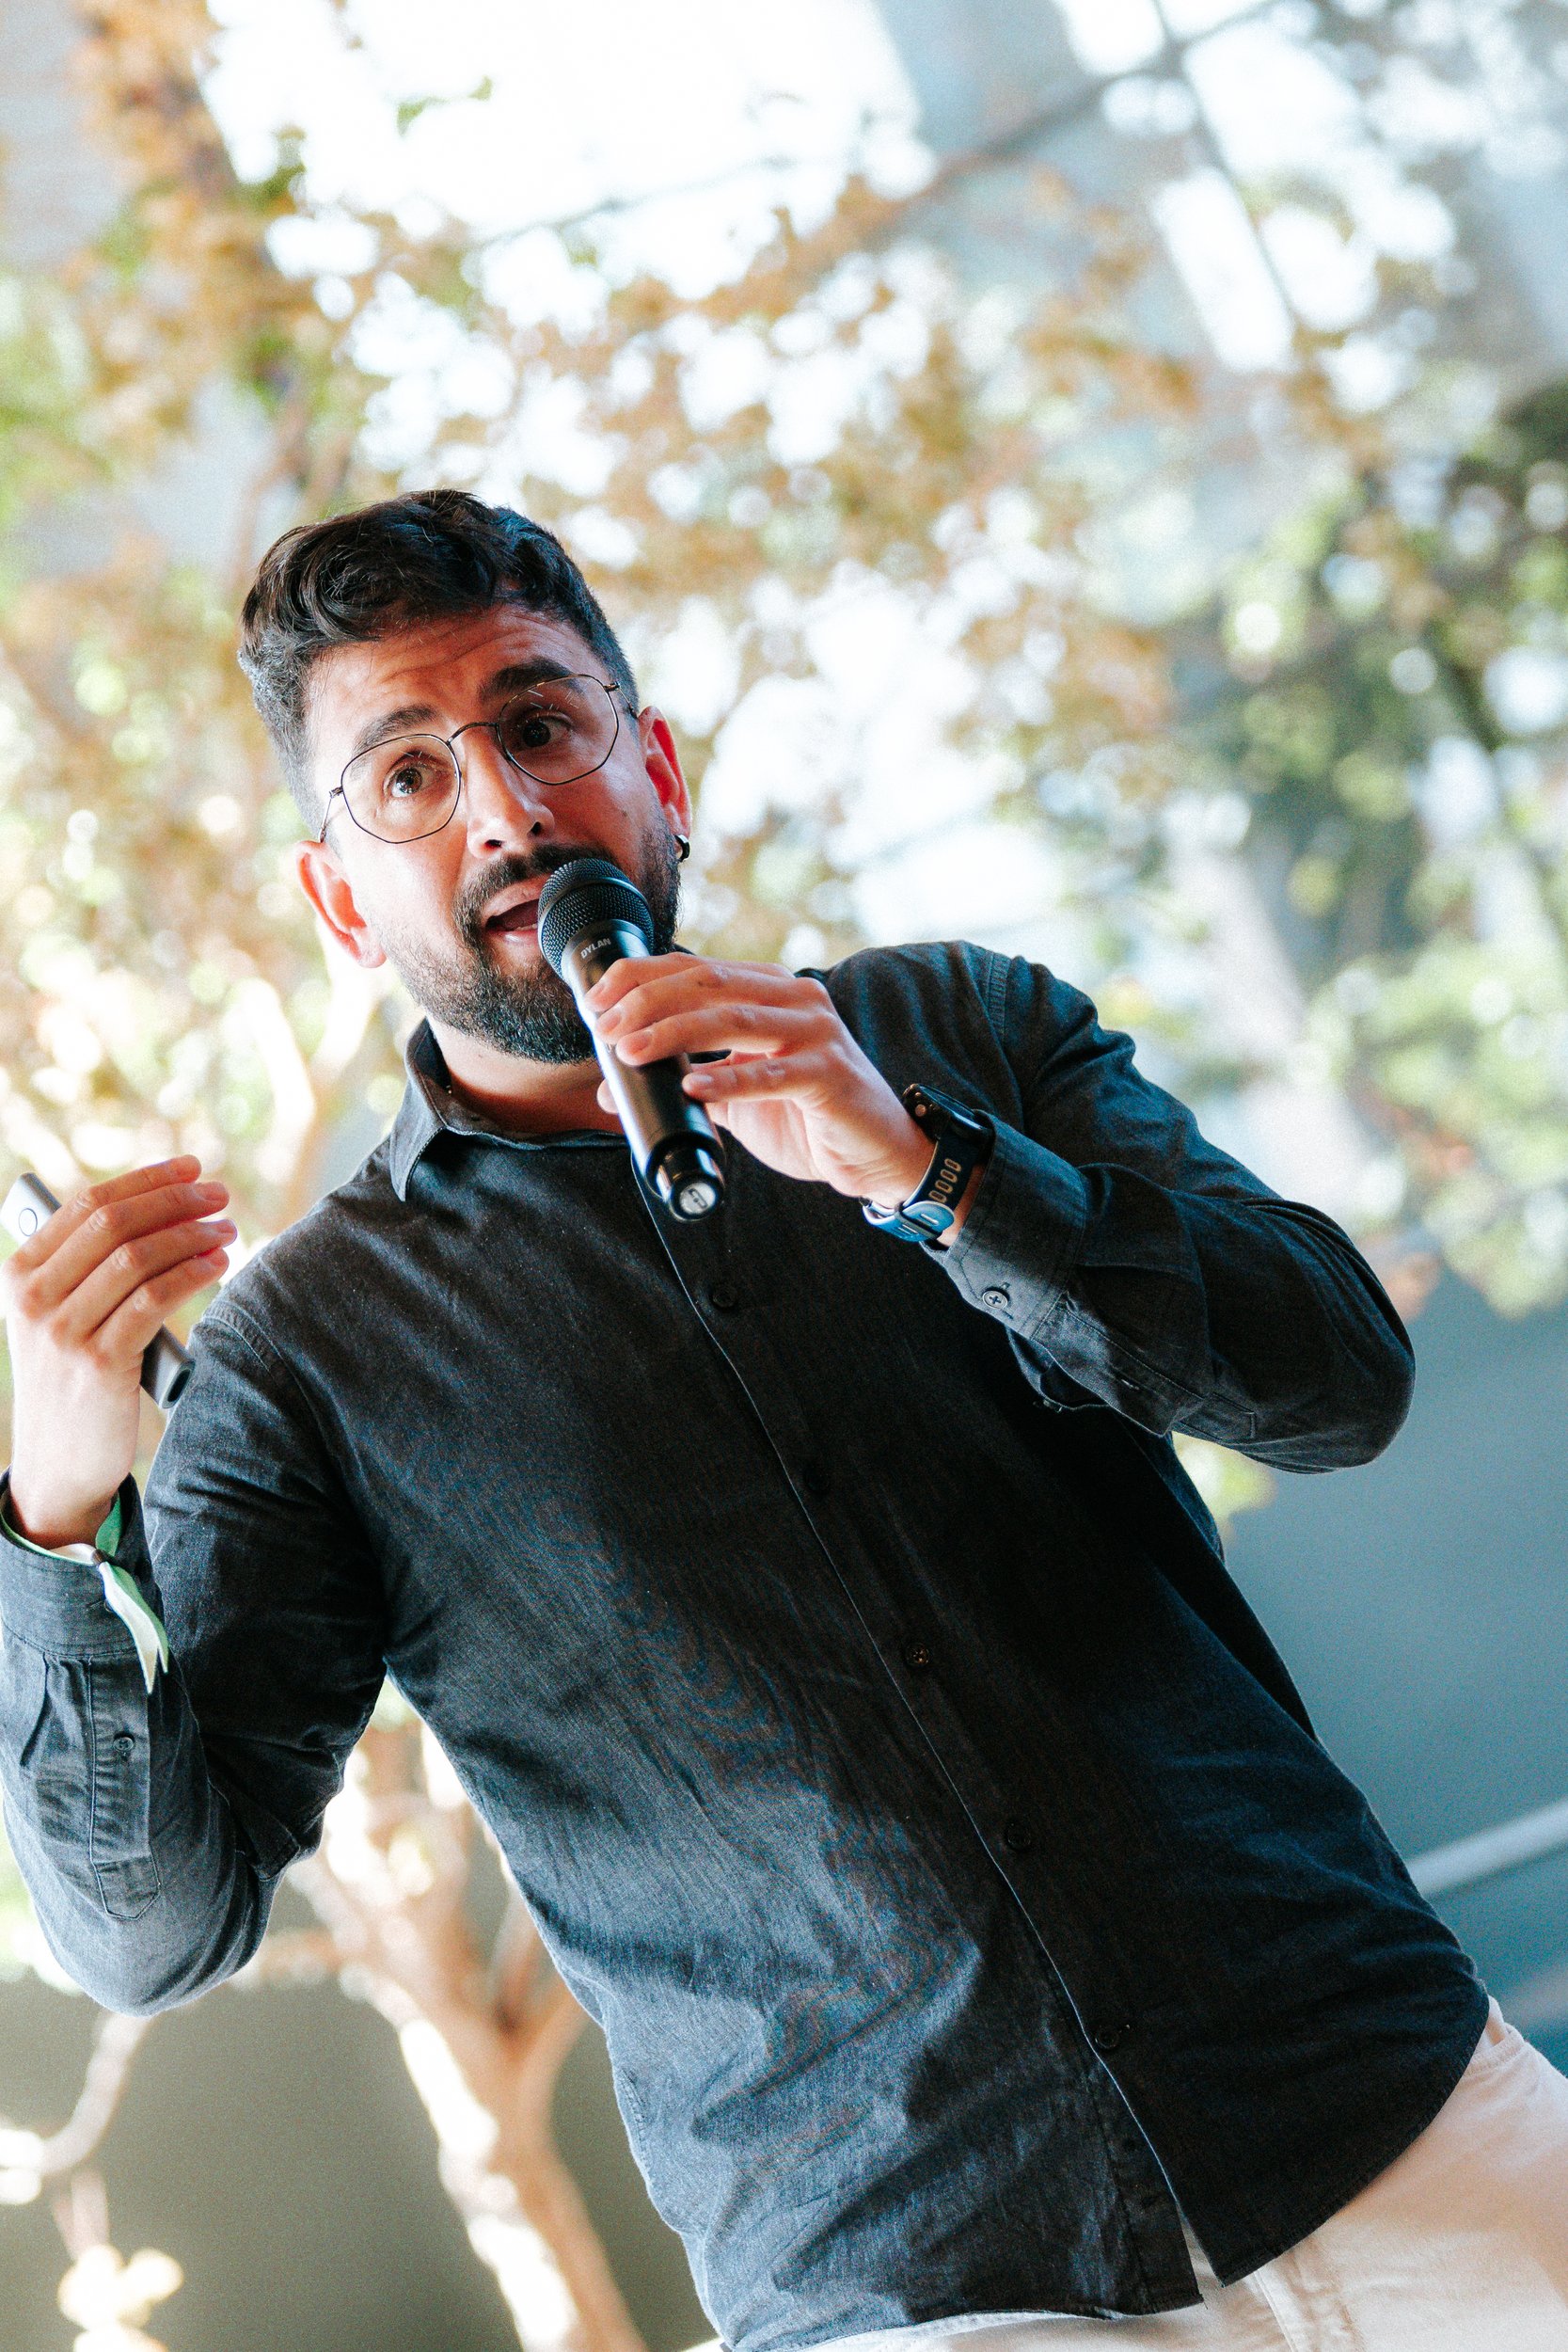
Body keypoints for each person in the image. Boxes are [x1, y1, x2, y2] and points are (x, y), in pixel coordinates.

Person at [1, 491, 1564, 2352]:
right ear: (341, 897)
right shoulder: (303, 1358)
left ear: (655, 773)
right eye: (407, 776)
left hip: (1395, 2112)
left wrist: (932, 1172)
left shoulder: (961, 1033)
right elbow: (153, 1930)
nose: (504, 812)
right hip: (919, 2287)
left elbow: (1335, 1383)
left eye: (539, 723)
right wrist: (51, 1519)